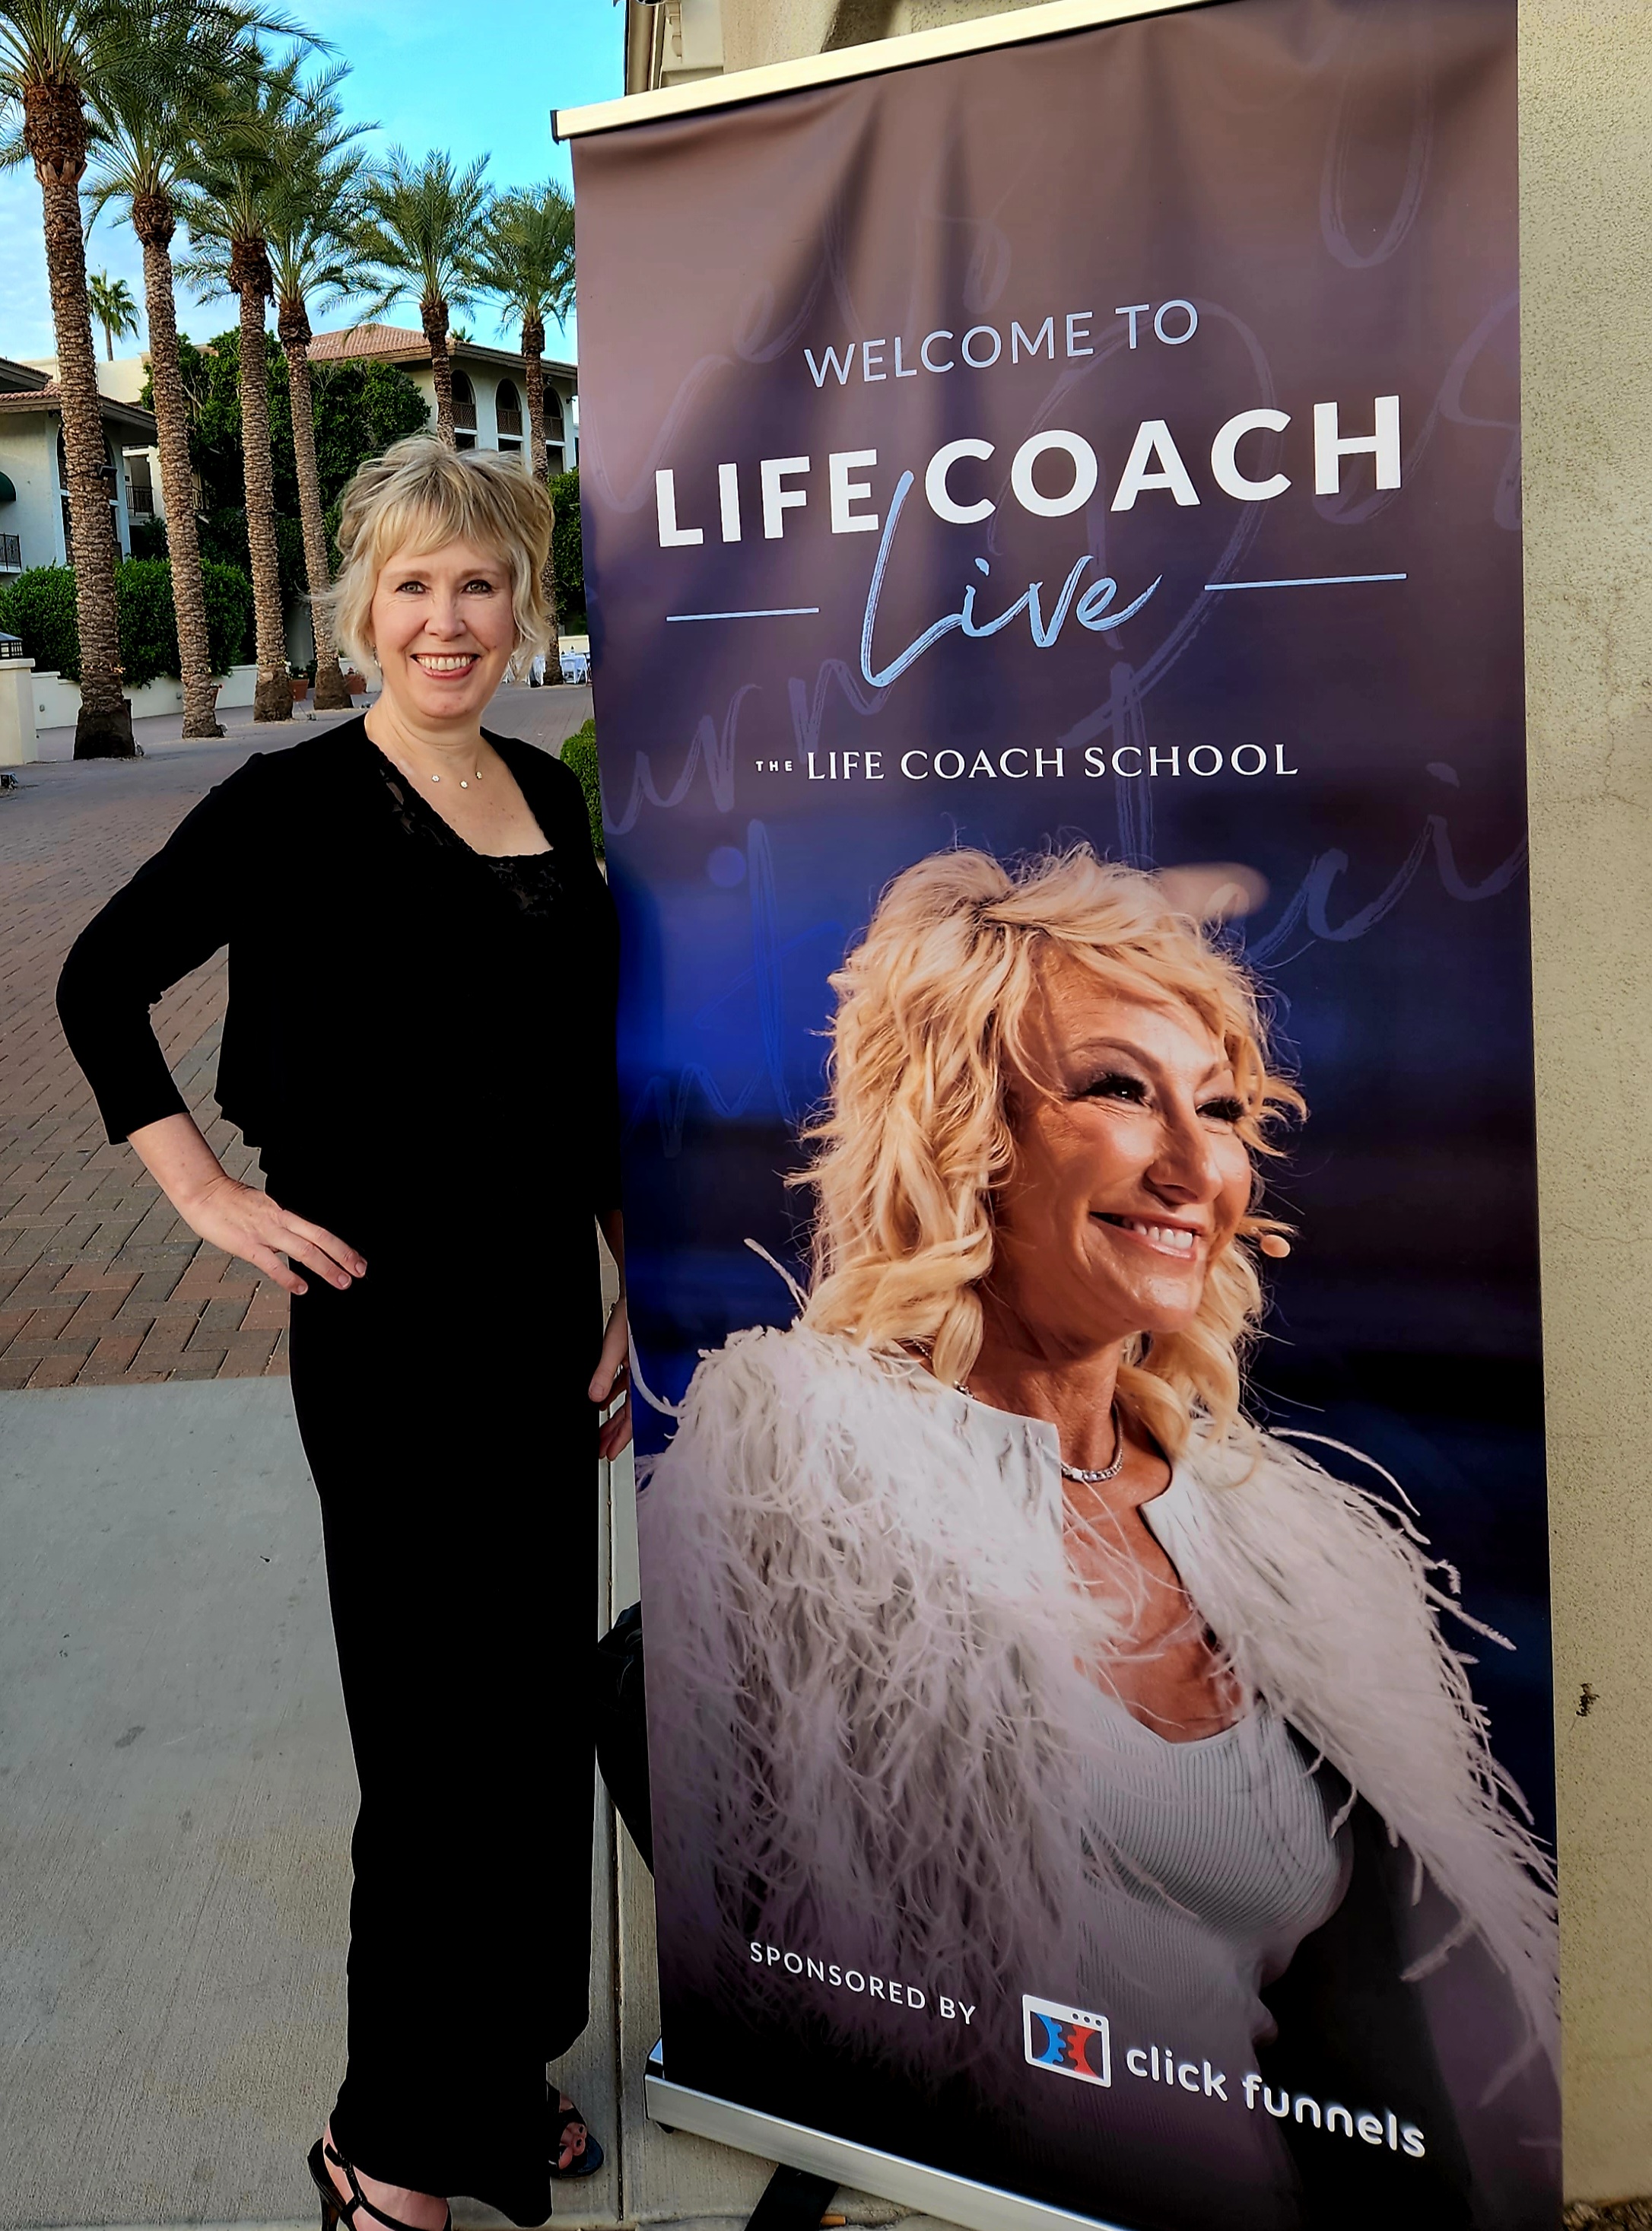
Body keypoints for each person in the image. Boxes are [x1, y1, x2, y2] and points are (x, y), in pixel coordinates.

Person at [639, 845, 1558, 2231]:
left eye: (1223, 1106)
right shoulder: (799, 1471)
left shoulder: (1283, 1534)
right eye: (1121, 1089)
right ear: (965, 1130)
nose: (1197, 1165)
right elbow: (779, 1974)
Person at [57, 436, 631, 2231]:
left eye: (479, 584)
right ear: (360, 607)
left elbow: (583, 1079)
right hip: (385, 1329)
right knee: (435, 1735)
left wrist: (622, 1277)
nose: (447, 619)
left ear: (521, 605)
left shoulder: (555, 793)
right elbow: (101, 983)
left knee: (533, 1714)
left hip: (542, 1308)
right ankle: (385, 2141)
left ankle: (506, 2058)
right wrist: (208, 1201)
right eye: (413, 586)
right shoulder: (289, 804)